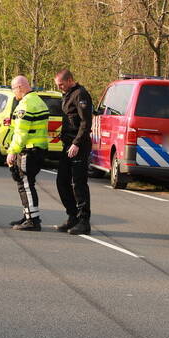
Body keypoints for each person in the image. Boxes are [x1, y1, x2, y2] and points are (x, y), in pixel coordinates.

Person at [6, 75, 50, 231]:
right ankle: (28, 215)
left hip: (28, 150)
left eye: (13, 89)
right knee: (25, 183)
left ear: (20, 87)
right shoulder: (39, 101)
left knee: (25, 184)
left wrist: (12, 151)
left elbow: (21, 132)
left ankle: (33, 220)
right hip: (39, 148)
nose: (13, 93)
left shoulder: (25, 105)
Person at [54, 69, 94, 235]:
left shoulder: (80, 95)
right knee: (61, 181)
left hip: (79, 146)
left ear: (70, 80)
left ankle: (84, 221)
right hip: (67, 145)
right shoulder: (67, 95)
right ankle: (73, 216)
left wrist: (77, 143)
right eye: (58, 85)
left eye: (61, 84)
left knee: (78, 183)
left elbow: (86, 122)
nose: (59, 87)